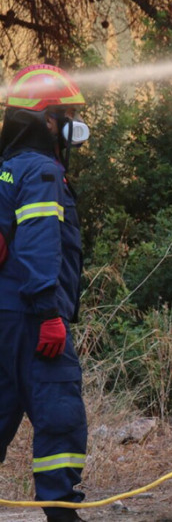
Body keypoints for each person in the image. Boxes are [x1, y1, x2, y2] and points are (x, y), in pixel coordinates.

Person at [0, 64, 92, 522]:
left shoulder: (7, 169)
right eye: (68, 113)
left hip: (4, 315)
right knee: (60, 413)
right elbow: (38, 246)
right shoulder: (41, 172)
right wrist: (49, 311)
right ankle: (61, 511)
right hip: (33, 316)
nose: (76, 123)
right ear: (48, 121)